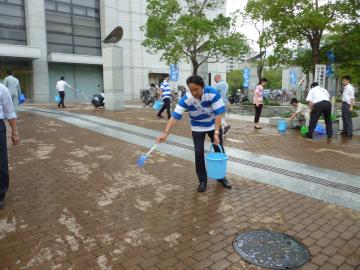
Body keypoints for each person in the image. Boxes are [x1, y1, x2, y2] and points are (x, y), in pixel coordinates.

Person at [156, 75, 232, 192]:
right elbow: (175, 116)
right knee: (199, 152)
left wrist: (217, 133)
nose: (194, 93)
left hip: (213, 125)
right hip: (197, 127)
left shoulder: (212, 93)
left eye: (196, 89)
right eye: (191, 90)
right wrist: (166, 133)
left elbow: (218, 113)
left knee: (218, 148)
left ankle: (221, 177)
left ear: (203, 86)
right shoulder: (187, 98)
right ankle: (202, 180)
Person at [0, 83, 20, 209]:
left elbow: (9, 112)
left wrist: (14, 132)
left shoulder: (1, 88)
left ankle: (0, 194)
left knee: (1, 161)